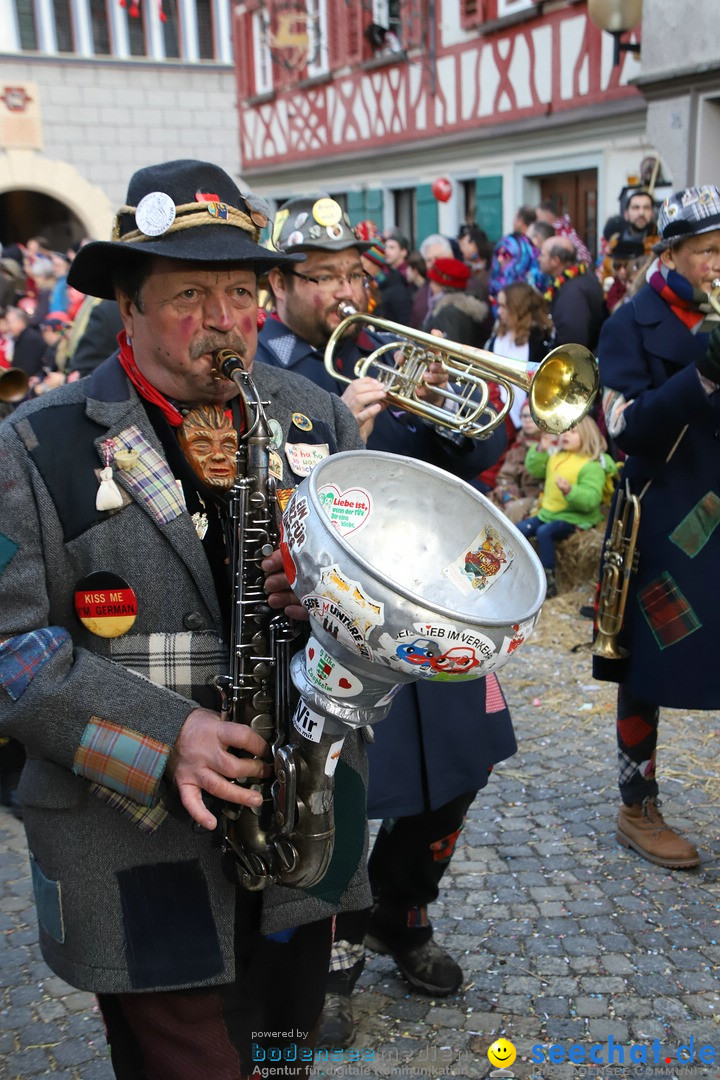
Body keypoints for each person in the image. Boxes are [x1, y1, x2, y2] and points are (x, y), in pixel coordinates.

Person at [0, 158, 373, 1079]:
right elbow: (7, 652)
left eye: (242, 290)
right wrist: (168, 737)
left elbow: (381, 610)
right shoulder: (32, 444)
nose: (223, 320)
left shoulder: (320, 421)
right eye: (190, 293)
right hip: (126, 828)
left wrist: (342, 613)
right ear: (126, 304)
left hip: (303, 819)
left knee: (285, 1049)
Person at [256, 195, 516, 1047]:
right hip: (329, 621)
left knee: (461, 771)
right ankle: (327, 955)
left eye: (351, 273)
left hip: (430, 605)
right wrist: (342, 434)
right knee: (342, 788)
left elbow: (471, 457)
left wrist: (462, 400)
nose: (340, 290)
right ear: (278, 286)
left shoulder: (384, 353)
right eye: (320, 275)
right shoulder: (256, 371)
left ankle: (405, 912)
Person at [594, 184, 720, 870]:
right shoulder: (628, 323)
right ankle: (635, 804)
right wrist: (701, 376)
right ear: (671, 253)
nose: (719, 264)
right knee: (643, 667)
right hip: (667, 516)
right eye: (708, 251)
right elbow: (620, 428)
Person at [517, 414, 607, 597]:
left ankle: (548, 580)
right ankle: (517, 571)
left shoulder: (591, 465)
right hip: (548, 513)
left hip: (574, 518)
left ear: (587, 436)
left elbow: (591, 499)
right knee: (519, 530)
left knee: (544, 533)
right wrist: (541, 449)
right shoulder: (556, 456)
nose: (566, 434)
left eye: (573, 432)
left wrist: (570, 491)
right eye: (565, 430)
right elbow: (534, 469)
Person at [485, 282, 555, 428]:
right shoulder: (497, 336)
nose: (499, 312)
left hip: (526, 420)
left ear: (518, 307)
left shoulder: (539, 339)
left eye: (504, 306)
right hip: (497, 414)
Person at [538, 235, 607, 350]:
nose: (539, 258)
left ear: (555, 261)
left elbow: (571, 341)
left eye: (542, 255)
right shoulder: (580, 278)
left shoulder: (572, 293)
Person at [489, 399, 543, 524]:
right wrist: (509, 497)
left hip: (539, 498)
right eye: (524, 416)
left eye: (533, 416)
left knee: (515, 510)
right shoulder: (519, 445)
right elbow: (505, 477)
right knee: (489, 504)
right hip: (518, 496)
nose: (527, 420)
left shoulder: (550, 445)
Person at [422, 256, 489, 347]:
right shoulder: (455, 308)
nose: (431, 285)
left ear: (443, 286)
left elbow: (450, 350)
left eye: (434, 282)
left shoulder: (449, 313)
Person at [489, 206, 538, 301]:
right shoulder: (534, 245)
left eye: (514, 219)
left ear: (520, 220)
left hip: (513, 296)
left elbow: (499, 270)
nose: (512, 223)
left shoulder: (509, 244)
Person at [360, 238, 413, 323]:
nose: (359, 268)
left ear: (374, 263)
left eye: (362, 263)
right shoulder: (370, 285)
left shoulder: (397, 289)